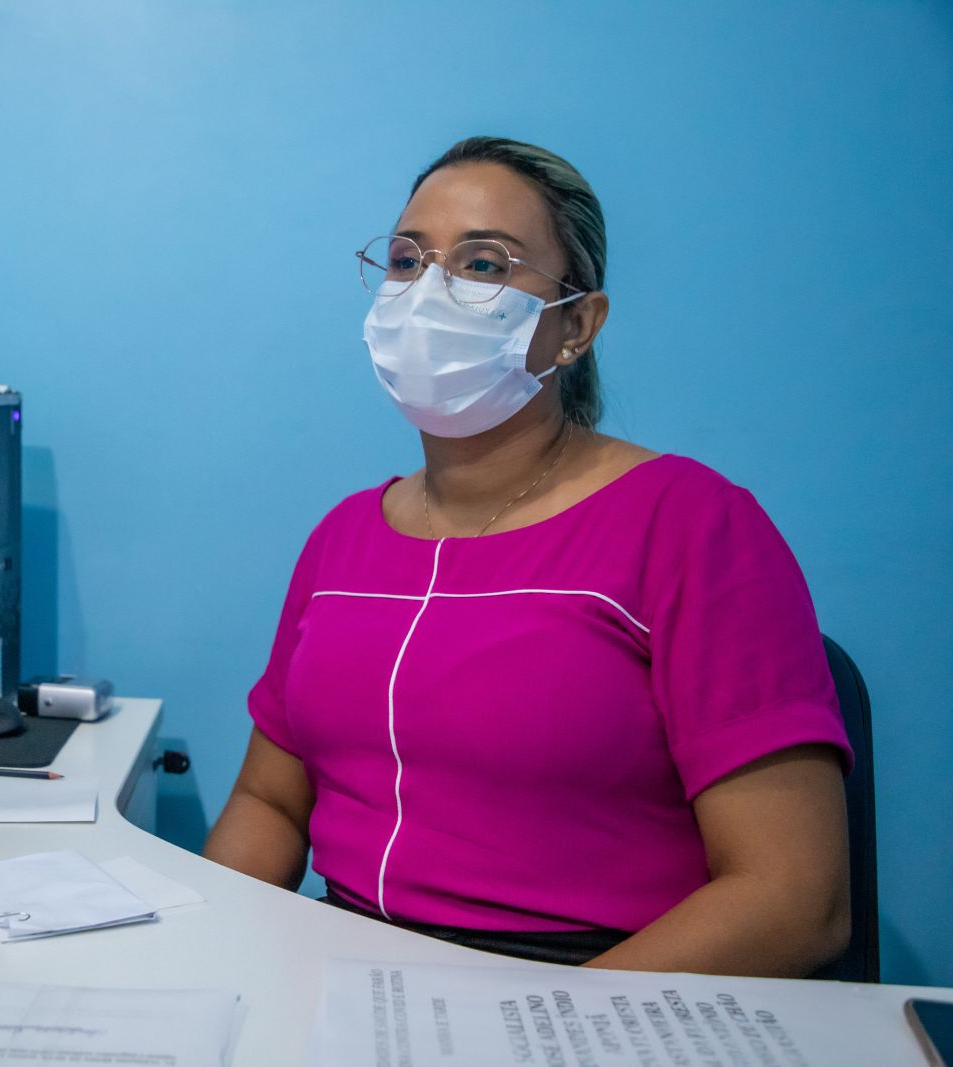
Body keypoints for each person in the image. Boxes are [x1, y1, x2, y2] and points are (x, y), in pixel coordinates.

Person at [203, 136, 853, 976]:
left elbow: (794, 897)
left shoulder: (691, 524)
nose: (427, 293)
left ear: (576, 324)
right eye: (406, 261)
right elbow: (269, 801)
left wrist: (539, 1027)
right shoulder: (343, 538)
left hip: (589, 991)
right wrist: (207, 965)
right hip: (347, 978)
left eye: (482, 265)